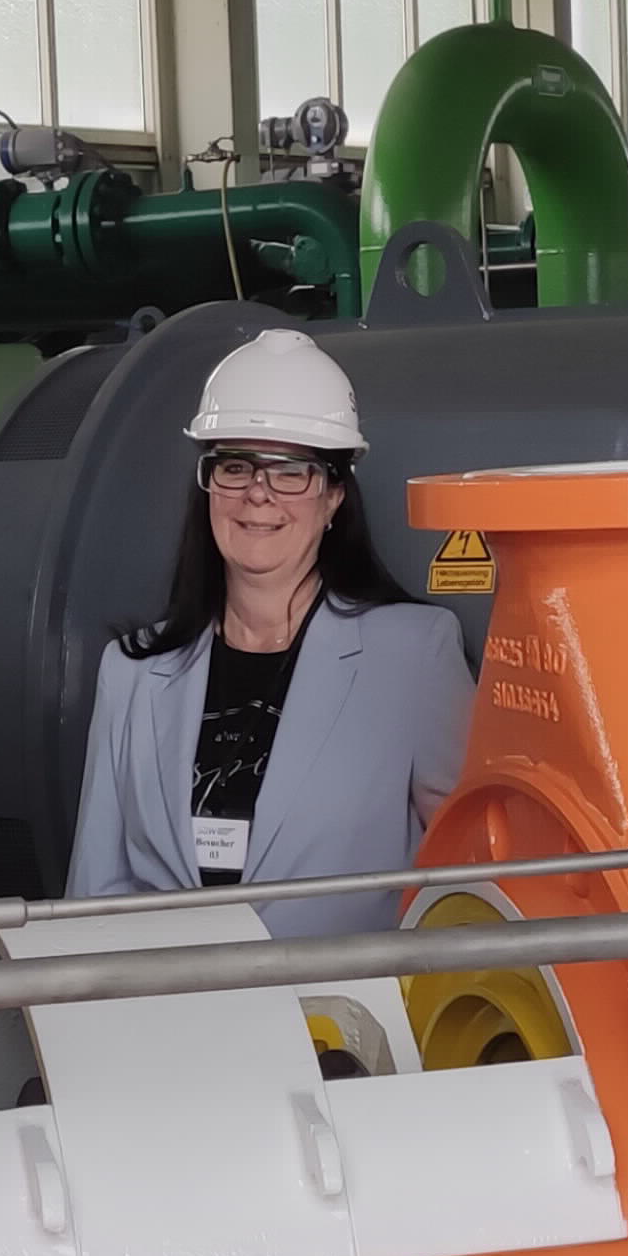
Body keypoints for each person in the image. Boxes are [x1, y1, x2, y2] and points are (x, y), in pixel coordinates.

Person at [66, 330, 470, 940]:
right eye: (236, 467)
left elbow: (468, 871)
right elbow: (94, 894)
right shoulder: (131, 672)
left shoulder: (414, 655)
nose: (258, 494)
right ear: (207, 485)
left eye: (291, 472)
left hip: (348, 999)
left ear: (334, 497)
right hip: (170, 997)